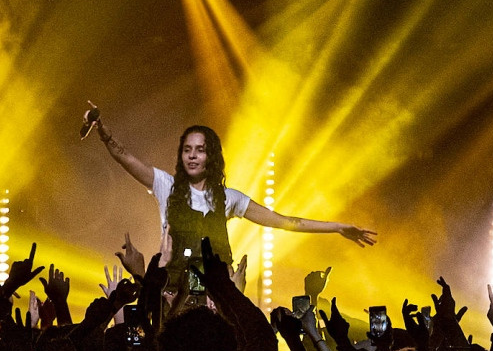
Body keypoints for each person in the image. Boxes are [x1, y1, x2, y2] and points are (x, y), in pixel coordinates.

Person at [86, 105, 376, 278]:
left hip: (214, 288)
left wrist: (337, 227)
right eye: (187, 150)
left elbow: (284, 221)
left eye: (200, 150)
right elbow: (122, 155)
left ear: (211, 156)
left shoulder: (230, 198)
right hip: (171, 285)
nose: (192, 156)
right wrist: (101, 128)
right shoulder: (166, 185)